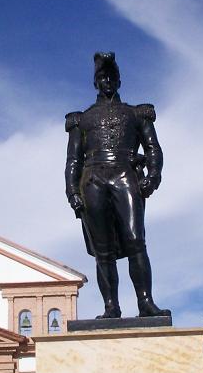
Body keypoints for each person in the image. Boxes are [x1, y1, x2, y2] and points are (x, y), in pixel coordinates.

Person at [65, 52, 170, 319]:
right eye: (102, 77)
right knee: (103, 250)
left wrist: (153, 176)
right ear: (95, 82)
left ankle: (145, 302)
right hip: (93, 179)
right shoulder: (81, 119)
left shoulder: (136, 114)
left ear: (119, 81)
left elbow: (153, 148)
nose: (107, 82)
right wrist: (72, 191)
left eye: (112, 77)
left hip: (125, 175)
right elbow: (74, 160)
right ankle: (111, 306)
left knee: (136, 240)